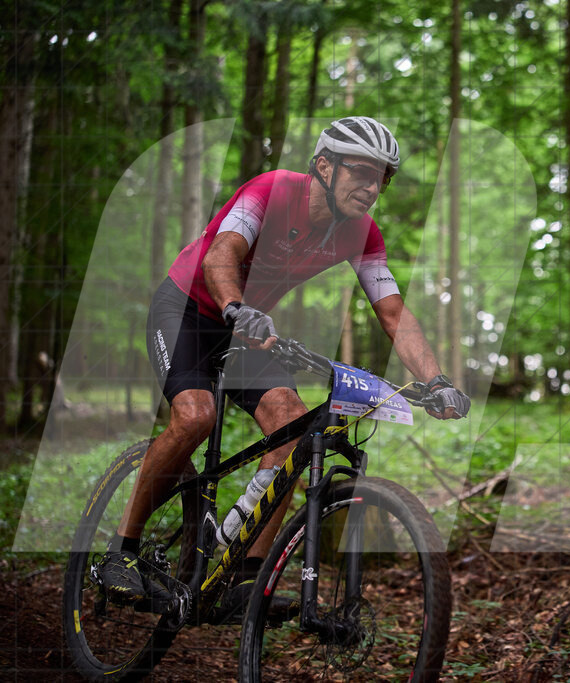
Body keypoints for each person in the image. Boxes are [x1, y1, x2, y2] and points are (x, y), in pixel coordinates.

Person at [97, 116, 470, 615]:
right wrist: (234, 306)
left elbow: (393, 313)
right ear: (324, 166)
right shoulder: (270, 191)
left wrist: (436, 380)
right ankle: (119, 553)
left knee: (293, 428)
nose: (372, 186)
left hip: (251, 328)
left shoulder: (362, 232)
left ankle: (244, 578)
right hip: (191, 308)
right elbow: (221, 254)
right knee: (194, 417)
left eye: (382, 176)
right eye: (361, 172)